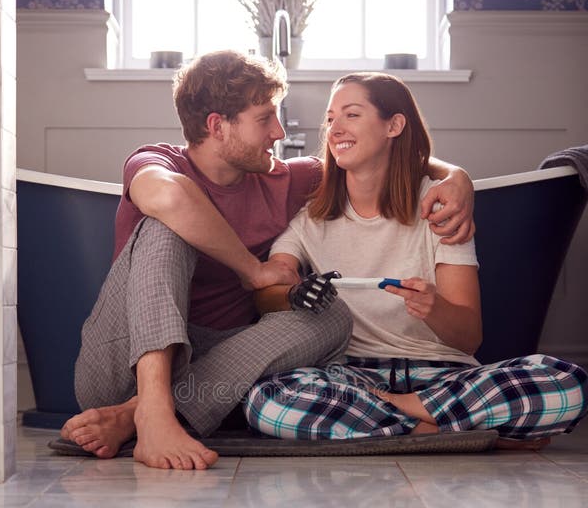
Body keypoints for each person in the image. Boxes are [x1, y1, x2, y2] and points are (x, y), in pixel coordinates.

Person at [61, 52, 477, 470]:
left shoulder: (286, 180)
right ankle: (149, 410)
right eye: (265, 119)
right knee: (165, 225)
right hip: (123, 360)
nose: (278, 132)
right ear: (217, 126)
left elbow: (378, 157)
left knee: (331, 316)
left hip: (217, 374)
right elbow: (169, 196)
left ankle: (137, 416)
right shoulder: (157, 161)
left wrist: (458, 178)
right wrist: (253, 269)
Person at [245, 72, 588, 445]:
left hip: (442, 377)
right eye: (330, 119)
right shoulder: (312, 218)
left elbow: (469, 338)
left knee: (568, 384)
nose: (335, 129)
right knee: (268, 398)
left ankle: (401, 420)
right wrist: (293, 294)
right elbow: (271, 285)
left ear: (394, 125)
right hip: (353, 377)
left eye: (352, 115)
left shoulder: (441, 209)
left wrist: (434, 307)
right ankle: (452, 430)